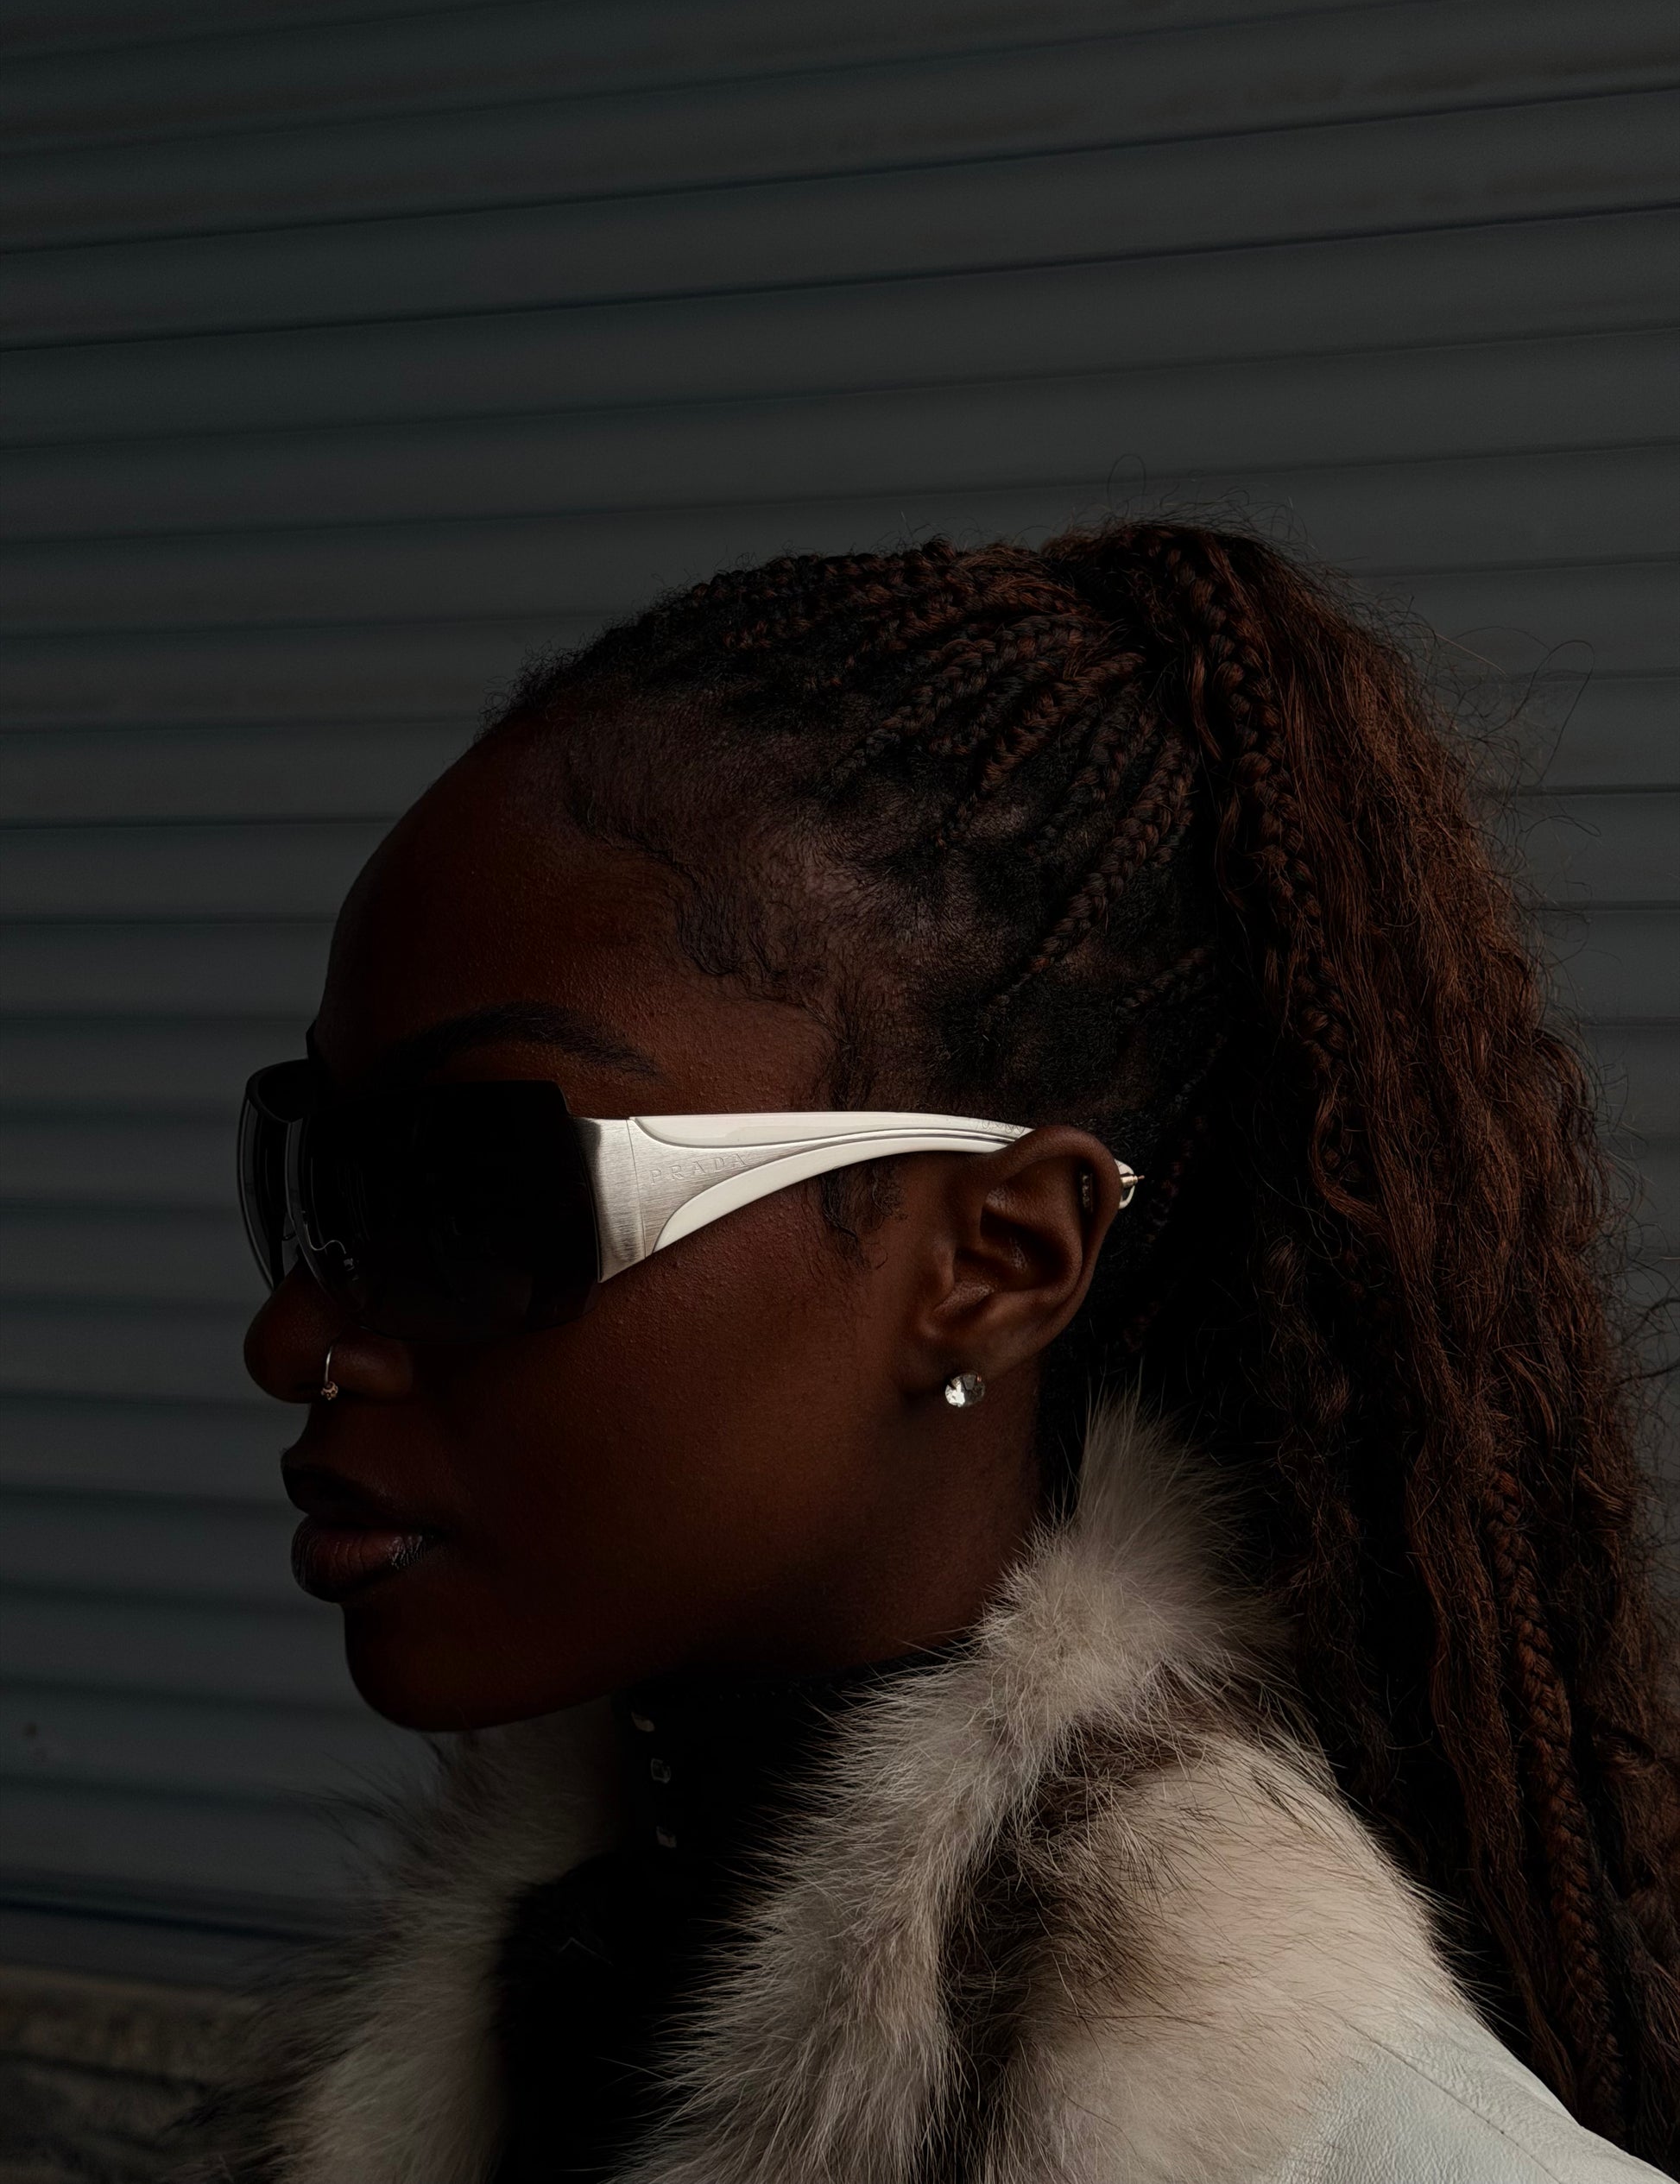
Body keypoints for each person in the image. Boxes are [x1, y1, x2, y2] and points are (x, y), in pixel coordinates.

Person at [199, 522, 1678, 2181]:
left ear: (993, 1262)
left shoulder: (1341, 2147)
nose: (292, 1334)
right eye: (316, 1181)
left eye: (473, 1197)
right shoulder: (540, 2010)